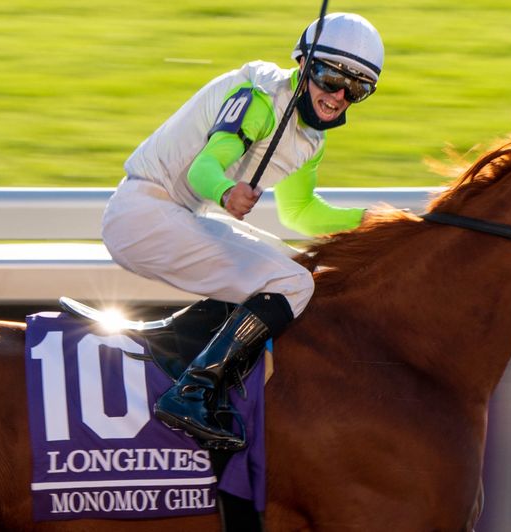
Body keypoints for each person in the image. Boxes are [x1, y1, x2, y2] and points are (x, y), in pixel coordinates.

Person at [101, 12, 385, 448]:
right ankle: (192, 393)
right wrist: (226, 192)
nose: (339, 96)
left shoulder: (311, 140)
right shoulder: (259, 99)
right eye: (330, 78)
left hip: (176, 214)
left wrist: (372, 221)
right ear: (305, 64)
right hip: (143, 215)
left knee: (297, 266)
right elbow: (204, 168)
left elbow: (301, 213)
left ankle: (187, 348)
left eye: (357, 89)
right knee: (292, 283)